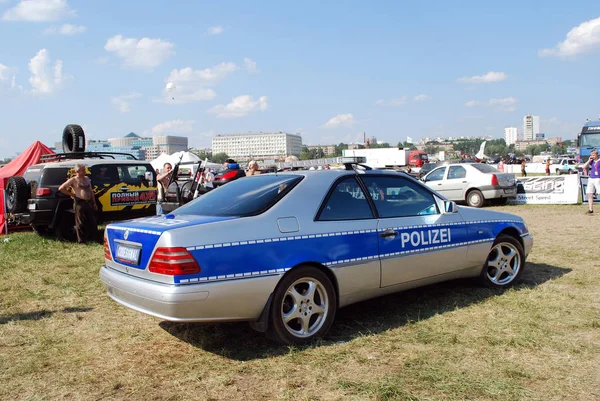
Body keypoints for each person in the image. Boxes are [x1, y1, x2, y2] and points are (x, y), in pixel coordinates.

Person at [58, 163, 97, 244]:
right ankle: (81, 240)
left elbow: (91, 191)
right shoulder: (73, 180)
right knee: (80, 222)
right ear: (77, 171)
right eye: (82, 170)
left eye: (84, 170)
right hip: (79, 202)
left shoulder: (86, 178)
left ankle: (94, 238)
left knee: (92, 220)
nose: (84, 171)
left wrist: (94, 202)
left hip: (88, 202)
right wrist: (72, 194)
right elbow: (61, 188)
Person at [583, 150, 600, 215]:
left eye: (593, 155)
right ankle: (590, 209)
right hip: (591, 178)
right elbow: (584, 167)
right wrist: (589, 160)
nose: (592, 156)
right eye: (591, 155)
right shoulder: (591, 161)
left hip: (598, 178)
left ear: (596, 155)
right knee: (590, 194)